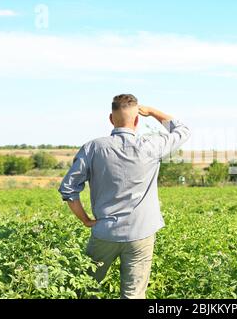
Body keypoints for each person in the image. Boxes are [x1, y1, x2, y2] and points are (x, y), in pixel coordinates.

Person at [58, 94, 191, 299]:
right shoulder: (152, 145)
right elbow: (182, 130)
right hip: (141, 233)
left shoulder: (93, 148)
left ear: (111, 119)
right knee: (134, 295)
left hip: (104, 232)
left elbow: (68, 189)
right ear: (137, 120)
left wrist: (85, 220)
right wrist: (153, 112)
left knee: (86, 288)